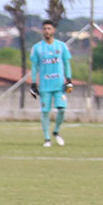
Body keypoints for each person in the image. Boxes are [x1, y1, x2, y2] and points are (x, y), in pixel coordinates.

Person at [29, 19, 73, 147]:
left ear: (53, 30)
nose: (47, 31)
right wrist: (33, 83)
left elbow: (66, 63)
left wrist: (69, 79)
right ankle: (47, 138)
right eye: (45, 29)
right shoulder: (37, 48)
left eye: (49, 28)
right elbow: (34, 66)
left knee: (62, 109)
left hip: (59, 85)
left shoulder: (61, 46)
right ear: (42, 31)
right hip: (45, 85)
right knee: (45, 111)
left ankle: (56, 131)